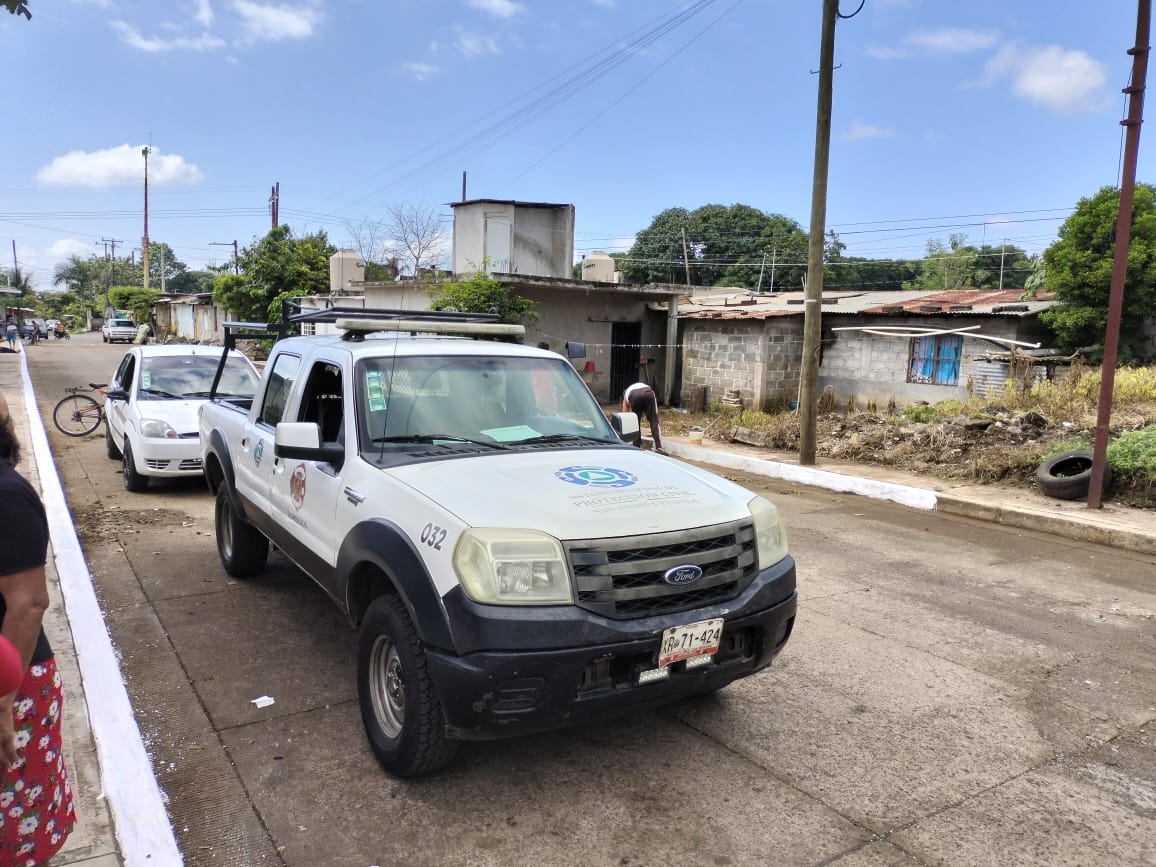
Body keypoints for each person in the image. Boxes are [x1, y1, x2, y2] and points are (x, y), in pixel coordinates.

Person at [0, 393, 76, 864]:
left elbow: (28, 603)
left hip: (12, 682)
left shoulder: (6, 495)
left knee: (18, 826)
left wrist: (3, 701)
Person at [621, 381, 666, 454]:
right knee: (654, 420)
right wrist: (654, 416)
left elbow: (625, 415)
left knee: (635, 423)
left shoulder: (626, 395)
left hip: (634, 396)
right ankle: (659, 447)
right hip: (648, 392)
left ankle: (636, 446)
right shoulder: (638, 386)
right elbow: (655, 414)